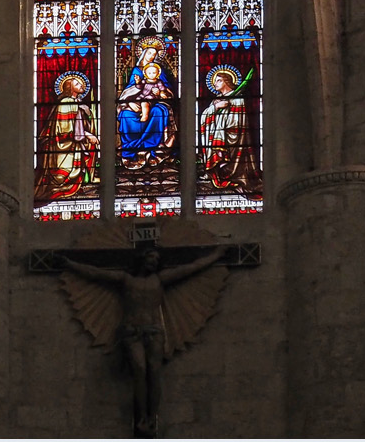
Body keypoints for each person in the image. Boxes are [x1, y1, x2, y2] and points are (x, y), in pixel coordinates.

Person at [59, 245, 227, 437]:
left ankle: (151, 417)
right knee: (140, 370)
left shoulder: (160, 280)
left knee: (154, 372)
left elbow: (191, 268)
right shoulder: (126, 280)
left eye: (156, 259)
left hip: (154, 331)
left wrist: (215, 256)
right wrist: (70, 264)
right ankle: (141, 418)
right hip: (132, 332)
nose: (153, 262)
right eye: (150, 258)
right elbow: (95, 273)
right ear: (142, 259)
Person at [198, 66, 263, 198]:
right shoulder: (216, 100)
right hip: (216, 137)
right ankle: (215, 173)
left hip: (232, 137)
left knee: (222, 139)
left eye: (218, 80)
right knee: (216, 141)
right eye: (215, 81)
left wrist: (221, 127)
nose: (215, 83)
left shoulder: (237, 99)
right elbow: (204, 118)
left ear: (227, 82)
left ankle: (230, 173)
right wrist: (215, 107)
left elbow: (238, 122)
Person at [35, 72, 99, 203]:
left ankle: (87, 178)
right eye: (77, 83)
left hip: (76, 141)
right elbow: (65, 129)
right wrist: (87, 135)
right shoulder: (66, 102)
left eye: (81, 83)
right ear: (69, 87)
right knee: (64, 172)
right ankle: (67, 181)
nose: (81, 85)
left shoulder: (78, 103)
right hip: (65, 144)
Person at [117, 40, 176, 169]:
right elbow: (130, 90)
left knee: (158, 112)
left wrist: (161, 93)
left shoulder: (159, 72)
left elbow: (168, 92)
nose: (151, 57)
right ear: (143, 53)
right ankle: (130, 150)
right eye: (149, 53)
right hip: (137, 101)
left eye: (154, 55)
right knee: (125, 114)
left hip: (156, 102)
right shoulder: (137, 71)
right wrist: (130, 102)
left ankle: (155, 150)